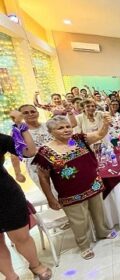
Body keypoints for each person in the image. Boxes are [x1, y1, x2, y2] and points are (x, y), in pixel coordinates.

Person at [33, 115, 116, 260]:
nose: (66, 130)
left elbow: (99, 134)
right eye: (60, 128)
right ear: (51, 132)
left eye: (67, 126)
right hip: (70, 194)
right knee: (79, 221)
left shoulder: (79, 139)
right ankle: (84, 245)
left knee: (98, 212)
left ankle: (102, 232)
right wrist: (50, 198)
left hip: (93, 186)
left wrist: (105, 123)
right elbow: (43, 177)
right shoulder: (45, 152)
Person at [0, 111, 52, 280]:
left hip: (5, 195)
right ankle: (10, 275)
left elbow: (28, 151)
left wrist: (20, 125)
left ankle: (35, 265)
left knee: (21, 236)